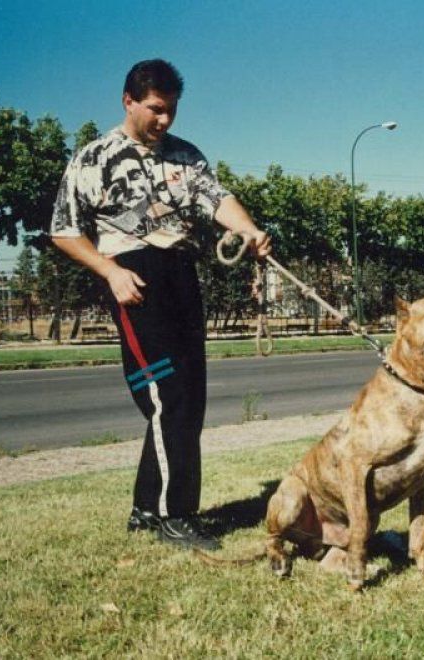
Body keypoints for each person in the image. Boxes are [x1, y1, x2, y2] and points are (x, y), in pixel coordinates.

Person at [50, 59, 271, 551]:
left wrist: (248, 229)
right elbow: (64, 230)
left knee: (188, 399)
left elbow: (219, 200)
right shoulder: (94, 158)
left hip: (182, 276)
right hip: (133, 279)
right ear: (128, 100)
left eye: (171, 110)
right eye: (155, 110)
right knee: (164, 396)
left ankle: (147, 510)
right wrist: (110, 272)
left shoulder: (187, 156)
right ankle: (178, 517)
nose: (164, 120)